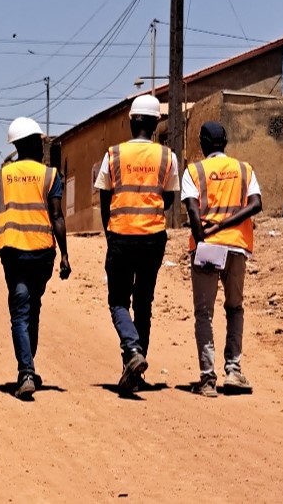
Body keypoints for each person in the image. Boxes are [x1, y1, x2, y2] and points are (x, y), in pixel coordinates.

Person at [94, 94, 178, 395]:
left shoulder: (113, 154)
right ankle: (135, 370)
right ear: (156, 124)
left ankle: (132, 350)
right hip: (153, 237)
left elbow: (105, 197)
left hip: (121, 235)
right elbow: (169, 198)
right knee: (143, 303)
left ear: (131, 122)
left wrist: (110, 233)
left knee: (118, 301)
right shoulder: (167, 156)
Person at [0, 117, 71, 398]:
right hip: (42, 253)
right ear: (33, 143)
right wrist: (65, 255)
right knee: (32, 307)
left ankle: (26, 372)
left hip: (12, 253)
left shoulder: (0, 176)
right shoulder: (49, 175)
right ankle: (27, 369)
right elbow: (57, 216)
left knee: (21, 310)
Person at [182, 121, 262, 398]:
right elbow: (256, 204)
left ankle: (207, 379)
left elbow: (192, 211)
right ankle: (234, 371)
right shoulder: (244, 169)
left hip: (207, 248)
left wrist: (204, 235)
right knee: (235, 308)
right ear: (225, 142)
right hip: (237, 247)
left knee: (204, 313)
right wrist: (226, 225)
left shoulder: (194, 171)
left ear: (203, 144)